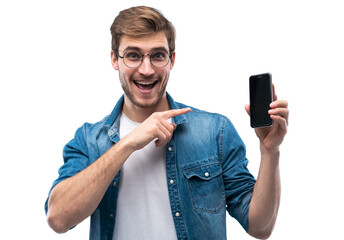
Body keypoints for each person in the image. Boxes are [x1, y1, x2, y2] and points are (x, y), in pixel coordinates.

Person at [45, 6, 289, 240]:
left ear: (172, 60)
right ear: (114, 60)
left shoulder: (215, 132)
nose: (147, 69)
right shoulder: (89, 140)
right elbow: (58, 218)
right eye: (133, 55)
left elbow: (260, 227)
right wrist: (128, 143)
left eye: (158, 56)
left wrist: (270, 151)